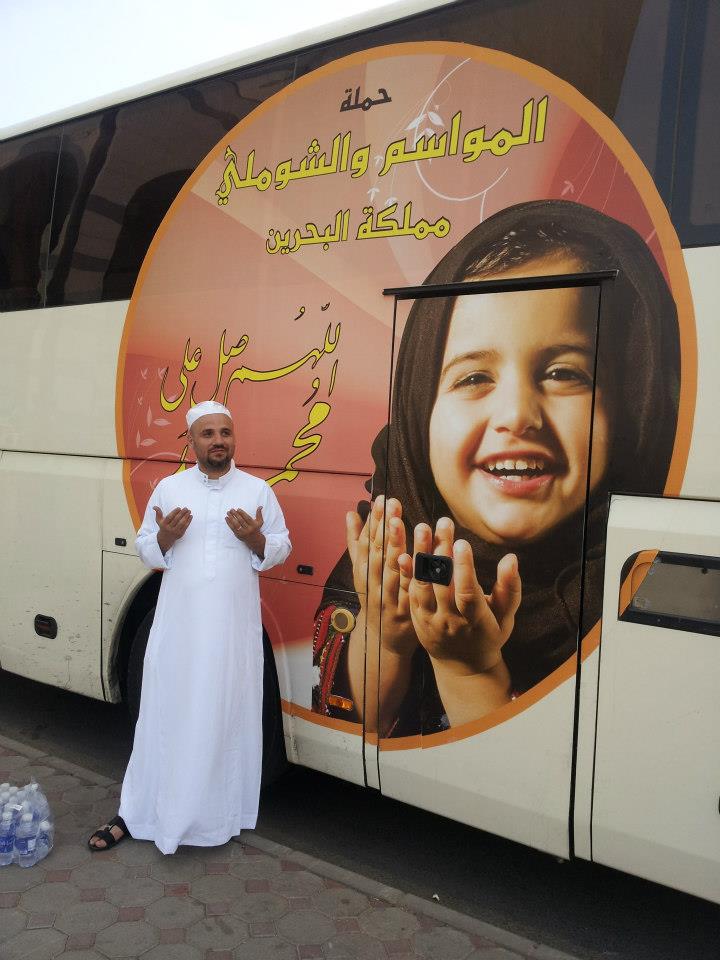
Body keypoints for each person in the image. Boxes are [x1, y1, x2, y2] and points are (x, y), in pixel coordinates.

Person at [313, 199, 680, 737]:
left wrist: (469, 669)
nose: (516, 415)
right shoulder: (391, 548)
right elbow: (350, 725)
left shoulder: (653, 579)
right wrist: (385, 633)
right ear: (419, 409)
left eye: (564, 373)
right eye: (473, 378)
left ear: (633, 401)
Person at [88, 400, 291, 853]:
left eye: (225, 432)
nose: (218, 441)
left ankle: (216, 820)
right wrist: (166, 537)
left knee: (223, 718)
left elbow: (281, 547)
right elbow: (145, 547)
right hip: (179, 631)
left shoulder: (258, 491)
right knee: (167, 717)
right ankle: (142, 812)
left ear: (233, 438)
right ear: (191, 441)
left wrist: (255, 539)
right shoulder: (170, 488)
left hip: (232, 634)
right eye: (208, 433)